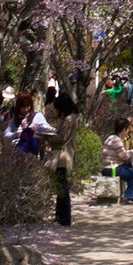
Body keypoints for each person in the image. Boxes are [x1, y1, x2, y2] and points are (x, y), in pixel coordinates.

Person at [42, 86, 77, 228]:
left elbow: (62, 138)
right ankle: (60, 215)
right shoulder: (70, 117)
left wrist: (47, 136)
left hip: (63, 155)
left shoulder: (69, 119)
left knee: (62, 186)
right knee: (60, 185)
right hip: (63, 154)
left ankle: (64, 217)